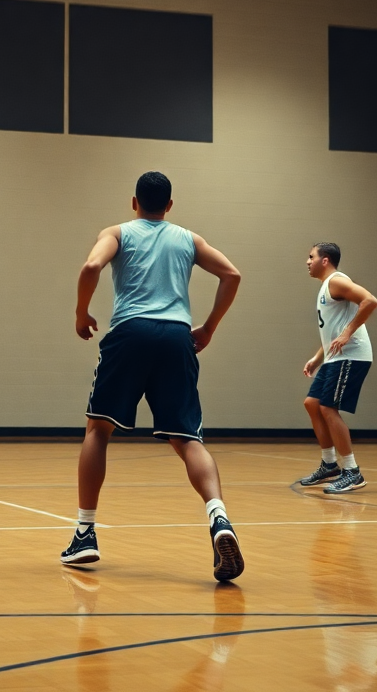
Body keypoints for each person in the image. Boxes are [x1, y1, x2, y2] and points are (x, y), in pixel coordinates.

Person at [61, 171, 245, 582]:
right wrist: (210, 327)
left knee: (98, 429)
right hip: (177, 337)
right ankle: (219, 518)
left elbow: (92, 265)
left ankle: (85, 533)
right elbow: (232, 274)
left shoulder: (118, 232)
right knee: (188, 439)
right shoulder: (188, 238)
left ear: (134, 202)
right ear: (170, 205)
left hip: (130, 333)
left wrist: (80, 312)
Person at [298, 242, 377, 494]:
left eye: (311, 257)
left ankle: (352, 472)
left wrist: (347, 333)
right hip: (334, 357)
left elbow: (370, 301)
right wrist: (317, 357)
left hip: (352, 356)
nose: (307, 261)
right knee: (312, 403)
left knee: (328, 408)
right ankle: (330, 465)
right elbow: (332, 332)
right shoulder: (326, 287)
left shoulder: (336, 281)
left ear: (325, 260)